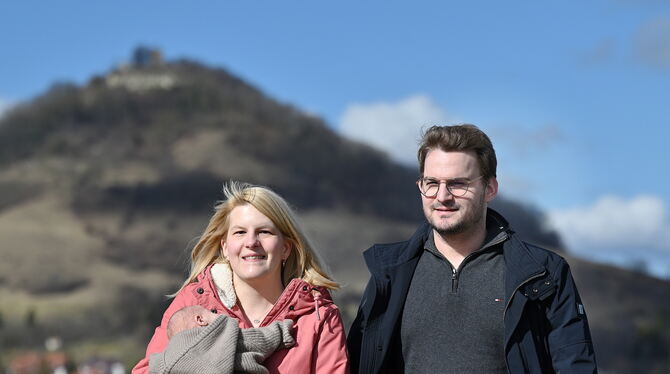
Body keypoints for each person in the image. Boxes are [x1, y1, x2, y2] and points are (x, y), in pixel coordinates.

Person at [347, 124, 597, 373]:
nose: (442, 196)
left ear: (490, 189)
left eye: (457, 184)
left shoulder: (543, 275)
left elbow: (576, 366)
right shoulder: (390, 274)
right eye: (432, 182)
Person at [133, 182, 349, 374]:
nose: (251, 242)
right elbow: (149, 369)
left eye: (264, 231)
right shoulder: (193, 303)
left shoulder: (319, 317)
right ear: (225, 247)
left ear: (285, 248)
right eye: (239, 232)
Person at [149, 305, 295, 374]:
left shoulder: (164, 359)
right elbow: (260, 340)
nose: (218, 313)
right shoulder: (223, 337)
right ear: (200, 320)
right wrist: (283, 330)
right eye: (212, 312)